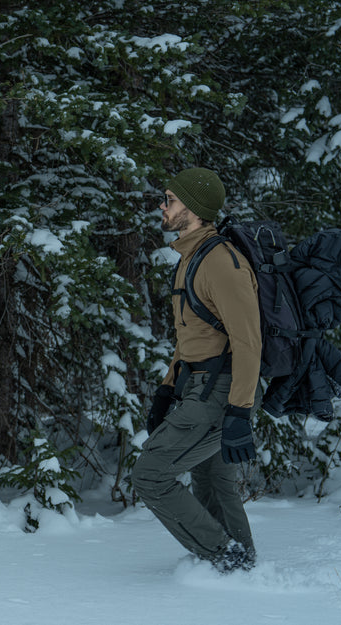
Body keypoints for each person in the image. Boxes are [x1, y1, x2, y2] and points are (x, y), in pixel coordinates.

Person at [132, 167, 262, 573]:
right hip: (201, 386)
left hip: (222, 391)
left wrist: (239, 411)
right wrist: (166, 390)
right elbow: (193, 336)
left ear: (194, 208)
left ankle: (224, 558)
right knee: (212, 479)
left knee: (150, 475)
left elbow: (248, 341)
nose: (162, 206)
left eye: (170, 200)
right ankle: (241, 565)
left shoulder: (222, 263)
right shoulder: (192, 258)